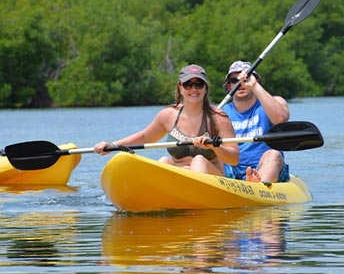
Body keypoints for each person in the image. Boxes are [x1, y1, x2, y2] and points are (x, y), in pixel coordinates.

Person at [94, 64, 239, 176]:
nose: (193, 89)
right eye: (188, 84)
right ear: (180, 88)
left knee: (199, 160)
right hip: (180, 175)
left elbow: (234, 159)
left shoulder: (218, 117)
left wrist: (214, 146)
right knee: (164, 161)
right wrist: (112, 145)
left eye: (198, 84)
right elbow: (144, 137)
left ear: (205, 88)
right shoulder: (168, 115)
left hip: (213, 178)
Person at [222, 60, 290, 183]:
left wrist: (253, 86)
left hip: (265, 166)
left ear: (256, 80)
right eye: (234, 80)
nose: (240, 83)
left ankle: (256, 183)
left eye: (246, 78)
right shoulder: (220, 113)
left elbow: (280, 118)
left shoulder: (275, 102)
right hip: (231, 169)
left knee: (273, 155)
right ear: (229, 86)